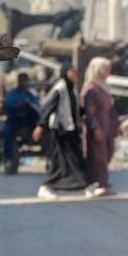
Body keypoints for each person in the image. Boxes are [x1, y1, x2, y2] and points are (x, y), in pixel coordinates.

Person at [33, 65, 89, 198]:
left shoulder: (72, 87)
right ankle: (46, 186)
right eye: (72, 71)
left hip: (70, 130)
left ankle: (80, 185)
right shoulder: (60, 88)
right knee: (59, 160)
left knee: (74, 159)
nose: (75, 74)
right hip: (60, 130)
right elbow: (48, 107)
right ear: (66, 72)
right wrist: (40, 125)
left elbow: (73, 108)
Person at [80, 57, 121, 197]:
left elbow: (110, 110)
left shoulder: (103, 88)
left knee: (107, 154)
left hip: (106, 127)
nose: (108, 72)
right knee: (98, 157)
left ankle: (101, 182)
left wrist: (116, 125)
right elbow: (88, 113)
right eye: (106, 69)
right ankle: (98, 184)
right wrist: (95, 128)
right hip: (97, 129)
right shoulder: (91, 90)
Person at [2, 72, 39, 173]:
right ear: (18, 81)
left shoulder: (30, 94)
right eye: (22, 81)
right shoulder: (12, 94)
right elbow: (7, 107)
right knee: (7, 134)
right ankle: (8, 159)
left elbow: (37, 105)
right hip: (15, 120)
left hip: (28, 122)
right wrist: (18, 104)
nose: (24, 83)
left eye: (26, 81)